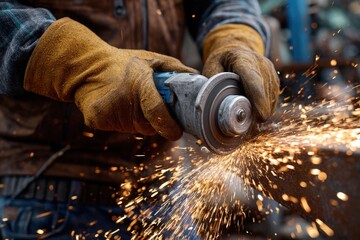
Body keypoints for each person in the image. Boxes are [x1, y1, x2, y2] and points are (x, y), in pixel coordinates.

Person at [0, 0, 280, 239]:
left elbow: (223, 3)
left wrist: (235, 36)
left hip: (164, 191)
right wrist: (80, 62)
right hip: (51, 194)